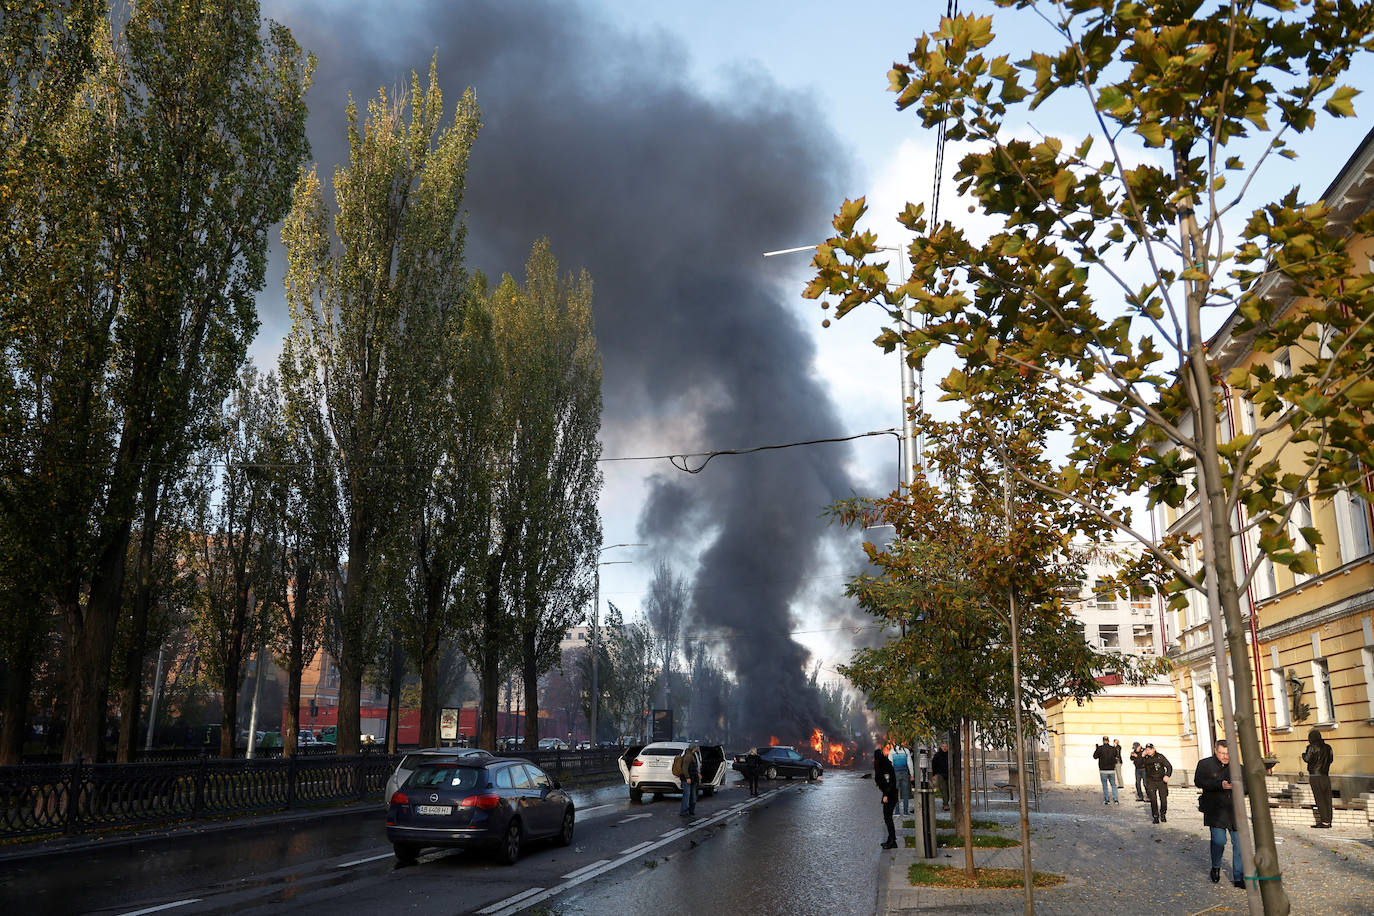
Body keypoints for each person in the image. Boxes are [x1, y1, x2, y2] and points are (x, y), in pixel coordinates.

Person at [1195, 738, 1245, 888]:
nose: (1225, 756)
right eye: (1222, 753)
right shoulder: (1204, 764)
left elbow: (1248, 786)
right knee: (1219, 841)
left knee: (1239, 844)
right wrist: (1219, 784)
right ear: (1215, 751)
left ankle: (1239, 877)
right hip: (1215, 809)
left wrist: (1237, 786)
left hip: (1235, 810)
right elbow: (1198, 781)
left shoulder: (1238, 767)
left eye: (1228, 753)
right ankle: (1216, 866)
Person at [1302, 729, 1334, 828]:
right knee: (1328, 799)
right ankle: (1329, 820)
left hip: (1315, 776)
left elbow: (1307, 759)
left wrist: (1303, 754)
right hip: (1325, 775)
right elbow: (1331, 759)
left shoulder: (1311, 747)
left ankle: (1324, 821)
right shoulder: (1328, 747)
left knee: (1320, 799)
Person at [1140, 743, 1173, 823]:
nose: (1148, 751)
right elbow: (1138, 765)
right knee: (1153, 800)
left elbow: (1169, 766)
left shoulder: (1160, 756)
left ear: (1153, 749)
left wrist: (1167, 775)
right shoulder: (1145, 758)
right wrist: (1141, 756)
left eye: (1150, 749)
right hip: (1151, 781)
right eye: (1147, 750)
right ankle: (1155, 816)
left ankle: (1163, 814)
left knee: (1163, 799)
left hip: (1161, 780)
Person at [874, 747, 897, 849]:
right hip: (889, 794)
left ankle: (892, 841)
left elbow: (889, 783)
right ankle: (891, 839)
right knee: (887, 818)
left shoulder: (885, 766)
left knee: (888, 818)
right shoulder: (883, 764)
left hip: (890, 795)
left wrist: (886, 795)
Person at [1093, 735, 1120, 805]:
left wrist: (1096, 749)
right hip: (1111, 769)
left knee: (1105, 785)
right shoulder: (1113, 748)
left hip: (1103, 770)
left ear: (1103, 741)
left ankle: (1107, 800)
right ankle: (1116, 799)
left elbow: (1095, 757)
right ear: (1108, 741)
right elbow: (1116, 756)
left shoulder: (1100, 748)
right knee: (1113, 784)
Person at [679, 744, 700, 817]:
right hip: (687, 779)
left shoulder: (692, 755)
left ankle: (691, 811)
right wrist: (687, 777)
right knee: (687, 796)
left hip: (693, 779)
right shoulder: (688, 756)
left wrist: (697, 774)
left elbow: (693, 768)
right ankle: (684, 811)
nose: (697, 749)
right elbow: (685, 768)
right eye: (696, 748)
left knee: (693, 796)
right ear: (693, 748)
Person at [892, 743, 912, 816]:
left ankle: (897, 812)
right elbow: (909, 763)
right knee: (905, 793)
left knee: (895, 793)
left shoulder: (892, 751)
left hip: (895, 774)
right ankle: (905, 812)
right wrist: (912, 774)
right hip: (904, 773)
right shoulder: (906, 751)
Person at [931, 741, 950, 811]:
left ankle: (946, 802)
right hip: (940, 774)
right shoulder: (937, 755)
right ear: (941, 747)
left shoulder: (950, 755)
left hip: (949, 774)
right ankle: (946, 804)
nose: (944, 748)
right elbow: (934, 765)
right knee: (943, 789)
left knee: (949, 790)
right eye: (943, 746)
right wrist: (934, 775)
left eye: (946, 746)